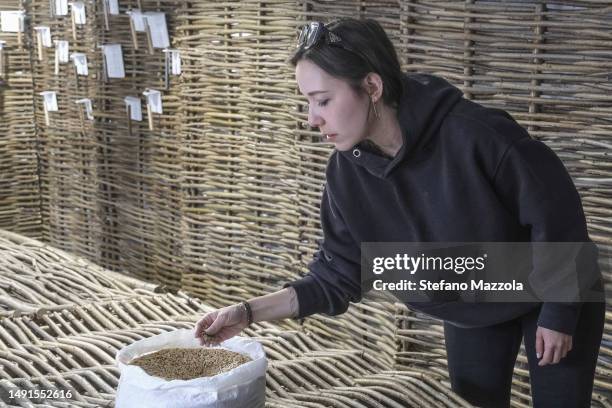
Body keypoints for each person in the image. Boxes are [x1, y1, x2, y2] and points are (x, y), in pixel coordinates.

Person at [194, 18, 605, 407]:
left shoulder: (476, 135)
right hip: (474, 299)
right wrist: (247, 313)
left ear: (372, 86)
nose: (312, 120)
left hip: (555, 289)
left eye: (323, 100)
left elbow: (559, 218)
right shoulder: (345, 173)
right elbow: (338, 275)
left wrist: (559, 311)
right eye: (308, 102)